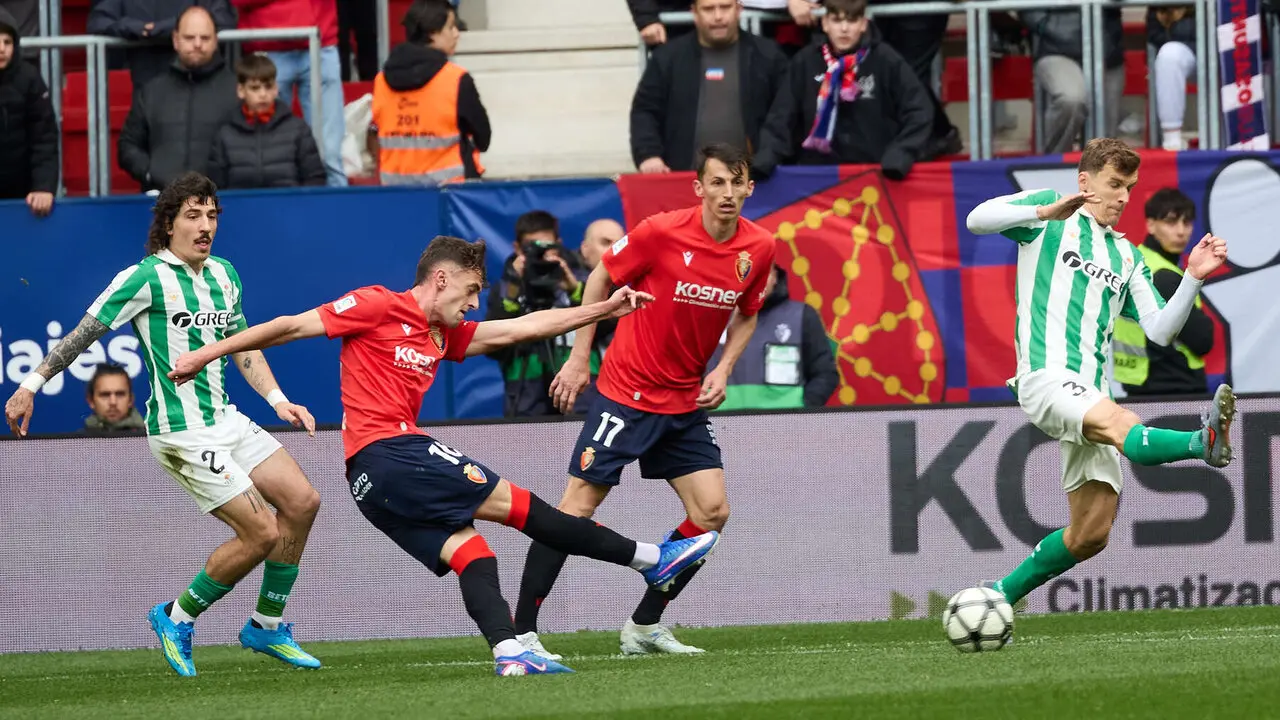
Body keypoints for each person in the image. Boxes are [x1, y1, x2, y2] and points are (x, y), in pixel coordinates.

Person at [164, 235, 721, 677]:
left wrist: (603, 308)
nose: (475, 303)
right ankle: (652, 559)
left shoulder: (441, 335)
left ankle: (509, 651)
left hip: (376, 486)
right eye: (471, 290)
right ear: (441, 278)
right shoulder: (379, 305)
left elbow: (521, 327)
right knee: (527, 510)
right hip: (391, 455)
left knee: (474, 556)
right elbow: (289, 327)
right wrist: (205, 354)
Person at [5, 172, 325, 678]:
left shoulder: (225, 274)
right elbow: (84, 334)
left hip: (227, 420)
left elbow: (244, 348)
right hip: (181, 432)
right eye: (193, 216)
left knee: (303, 502)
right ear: (169, 224)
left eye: (212, 215)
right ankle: (175, 617)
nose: (205, 226)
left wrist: (278, 399)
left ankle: (267, 624)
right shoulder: (144, 278)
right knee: (262, 531)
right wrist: (32, 385)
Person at [513, 142, 777, 659]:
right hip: (626, 394)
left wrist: (723, 368)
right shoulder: (661, 232)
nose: (727, 193)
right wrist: (578, 358)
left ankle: (644, 626)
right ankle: (520, 633)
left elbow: (748, 310)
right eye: (717, 182)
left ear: (750, 188)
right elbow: (600, 277)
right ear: (699, 187)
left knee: (712, 512)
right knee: (575, 510)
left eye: (736, 183)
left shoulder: (760, 247)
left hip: (684, 403)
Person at [963, 138, 1235, 615]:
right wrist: (1048, 211)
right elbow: (976, 220)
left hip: (1088, 391)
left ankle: (998, 596)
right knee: (1120, 422)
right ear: (1085, 182)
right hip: (1045, 378)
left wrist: (1192, 277)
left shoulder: (1126, 257)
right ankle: (1201, 442)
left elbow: (1160, 331)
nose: (1123, 196)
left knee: (1091, 534)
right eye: (1114, 184)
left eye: (1129, 187)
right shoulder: (1044, 217)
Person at [1114, 188, 1214, 396]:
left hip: (1138, 383)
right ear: (1150, 224)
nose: (1181, 231)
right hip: (1174, 387)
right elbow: (1203, 340)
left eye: (1186, 222)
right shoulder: (1163, 275)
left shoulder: (1135, 260)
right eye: (1171, 222)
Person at [207, 54, 327, 190]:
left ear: (276, 89)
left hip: (290, 209)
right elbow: (215, 187)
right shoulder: (225, 133)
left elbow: (315, 178)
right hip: (240, 209)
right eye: (255, 88)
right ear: (241, 91)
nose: (263, 94)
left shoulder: (298, 129)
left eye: (268, 87)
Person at [0, 7, 57, 217]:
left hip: (24, 195)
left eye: (7, 42)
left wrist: (43, 186)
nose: (1, 49)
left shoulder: (29, 78)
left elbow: (44, 139)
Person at [83, 363, 146, 434]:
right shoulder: (78, 443)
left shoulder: (152, 442)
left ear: (131, 399)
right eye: (105, 395)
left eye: (120, 394)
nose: (113, 402)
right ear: (91, 400)